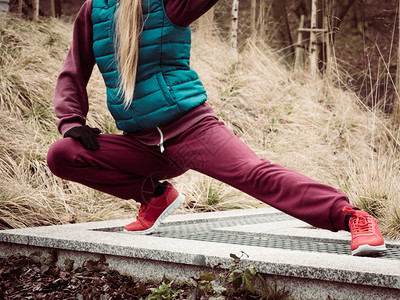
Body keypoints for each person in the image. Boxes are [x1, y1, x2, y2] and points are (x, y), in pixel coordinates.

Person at [47, 0, 386, 256]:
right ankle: (155, 196)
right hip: (140, 144)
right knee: (63, 154)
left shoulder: (168, 4)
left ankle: (351, 216)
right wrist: (71, 121)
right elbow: (72, 72)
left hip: (192, 129)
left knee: (257, 175)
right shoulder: (93, 10)